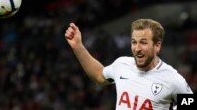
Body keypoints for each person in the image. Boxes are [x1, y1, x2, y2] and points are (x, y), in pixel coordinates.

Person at [64, 18, 193, 110]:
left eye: (143, 42)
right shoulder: (122, 64)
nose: (137, 48)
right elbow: (98, 75)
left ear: (157, 46)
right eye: (134, 42)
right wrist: (78, 47)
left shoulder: (173, 79)